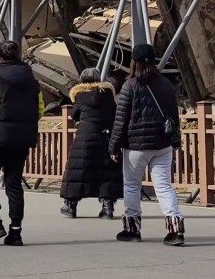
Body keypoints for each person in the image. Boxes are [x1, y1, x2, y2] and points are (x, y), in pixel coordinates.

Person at [108, 43, 185, 246]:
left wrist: (114, 145)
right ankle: (175, 229)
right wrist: (175, 139)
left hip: (136, 146)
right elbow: (173, 116)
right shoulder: (166, 84)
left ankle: (132, 229)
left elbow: (121, 120)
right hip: (162, 144)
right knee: (164, 186)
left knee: (132, 186)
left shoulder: (130, 86)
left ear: (133, 62)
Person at [0, 41, 43, 246]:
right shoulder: (32, 81)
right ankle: (16, 231)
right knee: (14, 183)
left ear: (0, 58)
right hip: (21, 139)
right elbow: (40, 109)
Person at [59, 68, 122, 219]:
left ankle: (71, 205)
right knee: (106, 171)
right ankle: (107, 208)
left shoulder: (80, 95)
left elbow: (75, 115)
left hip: (85, 136)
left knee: (77, 170)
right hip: (104, 135)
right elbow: (114, 114)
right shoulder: (107, 95)